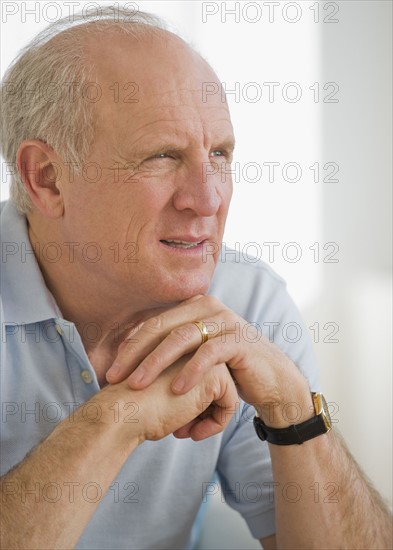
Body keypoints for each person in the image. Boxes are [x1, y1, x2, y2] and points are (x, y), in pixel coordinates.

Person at [0, 7, 391, 550]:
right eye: (162, 156)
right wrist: (117, 417)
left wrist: (292, 410)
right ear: (46, 178)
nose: (208, 199)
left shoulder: (247, 301)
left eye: (219, 154)